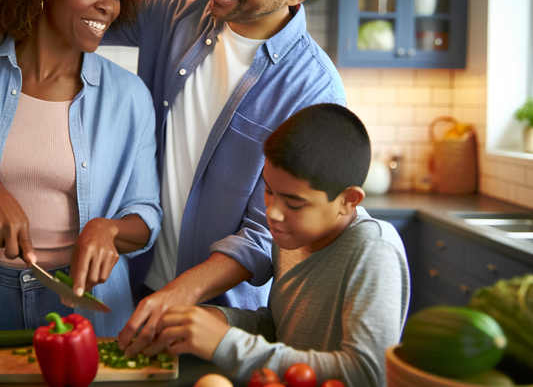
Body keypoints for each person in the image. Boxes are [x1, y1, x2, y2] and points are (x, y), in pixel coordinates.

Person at [105, 0, 347, 356]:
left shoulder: (314, 90)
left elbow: (270, 230)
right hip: (126, 291)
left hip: (214, 325)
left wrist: (181, 291)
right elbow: (80, 15)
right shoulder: (174, 5)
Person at [136, 104, 411, 387]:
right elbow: (283, 329)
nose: (273, 213)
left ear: (348, 200)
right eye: (268, 190)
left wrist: (226, 343)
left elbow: (367, 372)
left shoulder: (374, 249)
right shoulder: (291, 236)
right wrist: (219, 320)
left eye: (294, 203)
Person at [0, 0, 162, 337]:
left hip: (83, 305)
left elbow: (146, 216)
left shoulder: (128, 97)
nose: (107, 5)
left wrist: (107, 230)